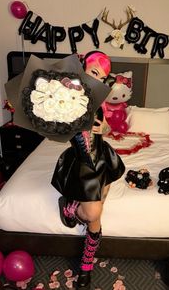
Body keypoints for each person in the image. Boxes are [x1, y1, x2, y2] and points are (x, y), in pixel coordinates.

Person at [51, 51, 125, 289]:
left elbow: (106, 129)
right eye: (94, 73)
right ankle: (71, 208)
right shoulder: (66, 97)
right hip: (83, 164)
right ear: (81, 68)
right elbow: (58, 129)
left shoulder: (99, 97)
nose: (98, 81)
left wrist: (104, 128)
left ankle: (86, 265)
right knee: (93, 213)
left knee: (97, 213)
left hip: (102, 157)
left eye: (103, 77)